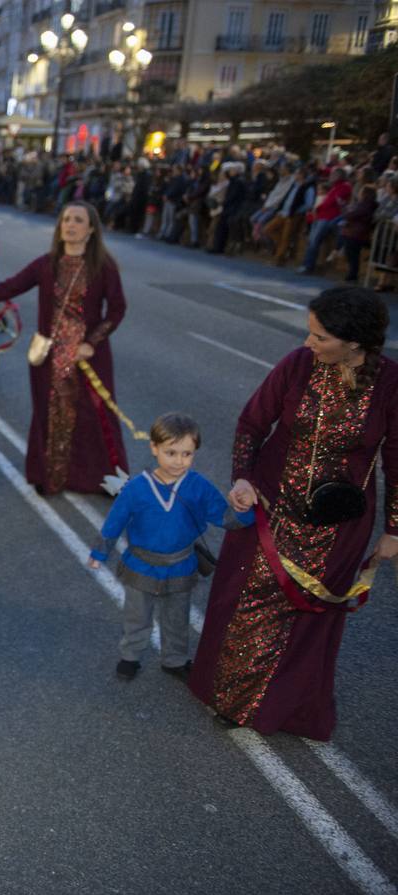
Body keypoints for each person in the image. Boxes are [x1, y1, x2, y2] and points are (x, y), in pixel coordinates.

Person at [190, 287, 397, 741]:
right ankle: (232, 696)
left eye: (319, 337)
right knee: (248, 601)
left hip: (338, 525)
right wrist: (243, 478)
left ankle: (284, 707)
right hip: (270, 506)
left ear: (355, 344)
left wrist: (394, 530)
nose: (308, 344)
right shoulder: (297, 365)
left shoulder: (390, 385)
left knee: (306, 619)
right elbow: (251, 424)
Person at [0, 201, 129, 494]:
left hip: (88, 359)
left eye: (78, 220)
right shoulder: (46, 264)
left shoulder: (104, 267)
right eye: (66, 219)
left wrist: (91, 343)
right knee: (50, 414)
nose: (70, 225)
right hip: (49, 357)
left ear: (91, 229)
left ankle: (105, 480)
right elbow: (7, 288)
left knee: (95, 417)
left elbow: (117, 309)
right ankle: (52, 477)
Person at [89, 413, 253, 681]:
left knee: (177, 617)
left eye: (187, 454)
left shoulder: (198, 486)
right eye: (171, 452)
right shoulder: (136, 488)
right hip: (141, 565)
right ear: (154, 448)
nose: (179, 461)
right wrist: (99, 552)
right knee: (137, 616)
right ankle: (130, 656)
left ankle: (174, 659)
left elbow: (223, 516)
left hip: (180, 566)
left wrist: (246, 512)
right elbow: (114, 522)